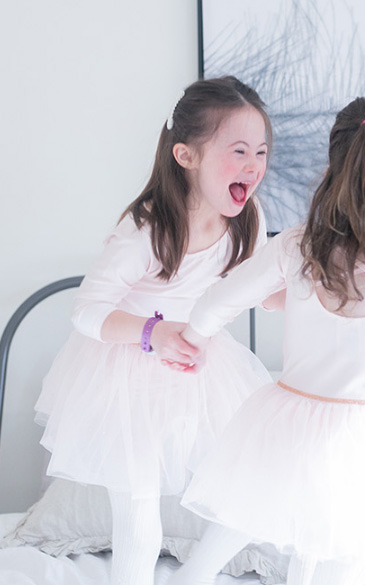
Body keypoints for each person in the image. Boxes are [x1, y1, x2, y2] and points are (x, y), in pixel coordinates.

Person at [168, 96, 365, 585]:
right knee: (345, 551)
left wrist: (192, 339)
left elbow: (216, 302)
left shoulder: (299, 247)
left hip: (288, 418)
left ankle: (189, 577)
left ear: (336, 168)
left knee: (240, 516)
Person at [34, 75, 275, 585]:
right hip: (129, 369)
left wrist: (315, 289)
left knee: (255, 483)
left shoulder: (248, 216)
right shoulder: (148, 228)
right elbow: (87, 309)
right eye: (238, 151)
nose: (254, 166)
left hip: (205, 367)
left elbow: (255, 290)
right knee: (140, 519)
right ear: (186, 156)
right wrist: (154, 333)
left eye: (261, 150)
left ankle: (196, 576)